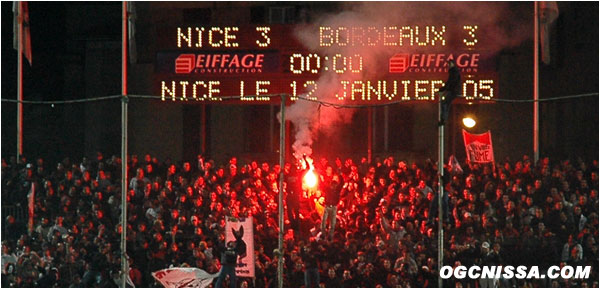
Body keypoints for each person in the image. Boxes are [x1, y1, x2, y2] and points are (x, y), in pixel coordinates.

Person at [438, 59, 461, 126]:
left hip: (454, 91)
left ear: (453, 64)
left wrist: (444, 89)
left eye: (449, 64)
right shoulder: (454, 71)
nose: (448, 65)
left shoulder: (454, 71)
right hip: (454, 90)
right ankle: (443, 119)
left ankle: (443, 119)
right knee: (446, 103)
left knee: (444, 103)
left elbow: (451, 81)